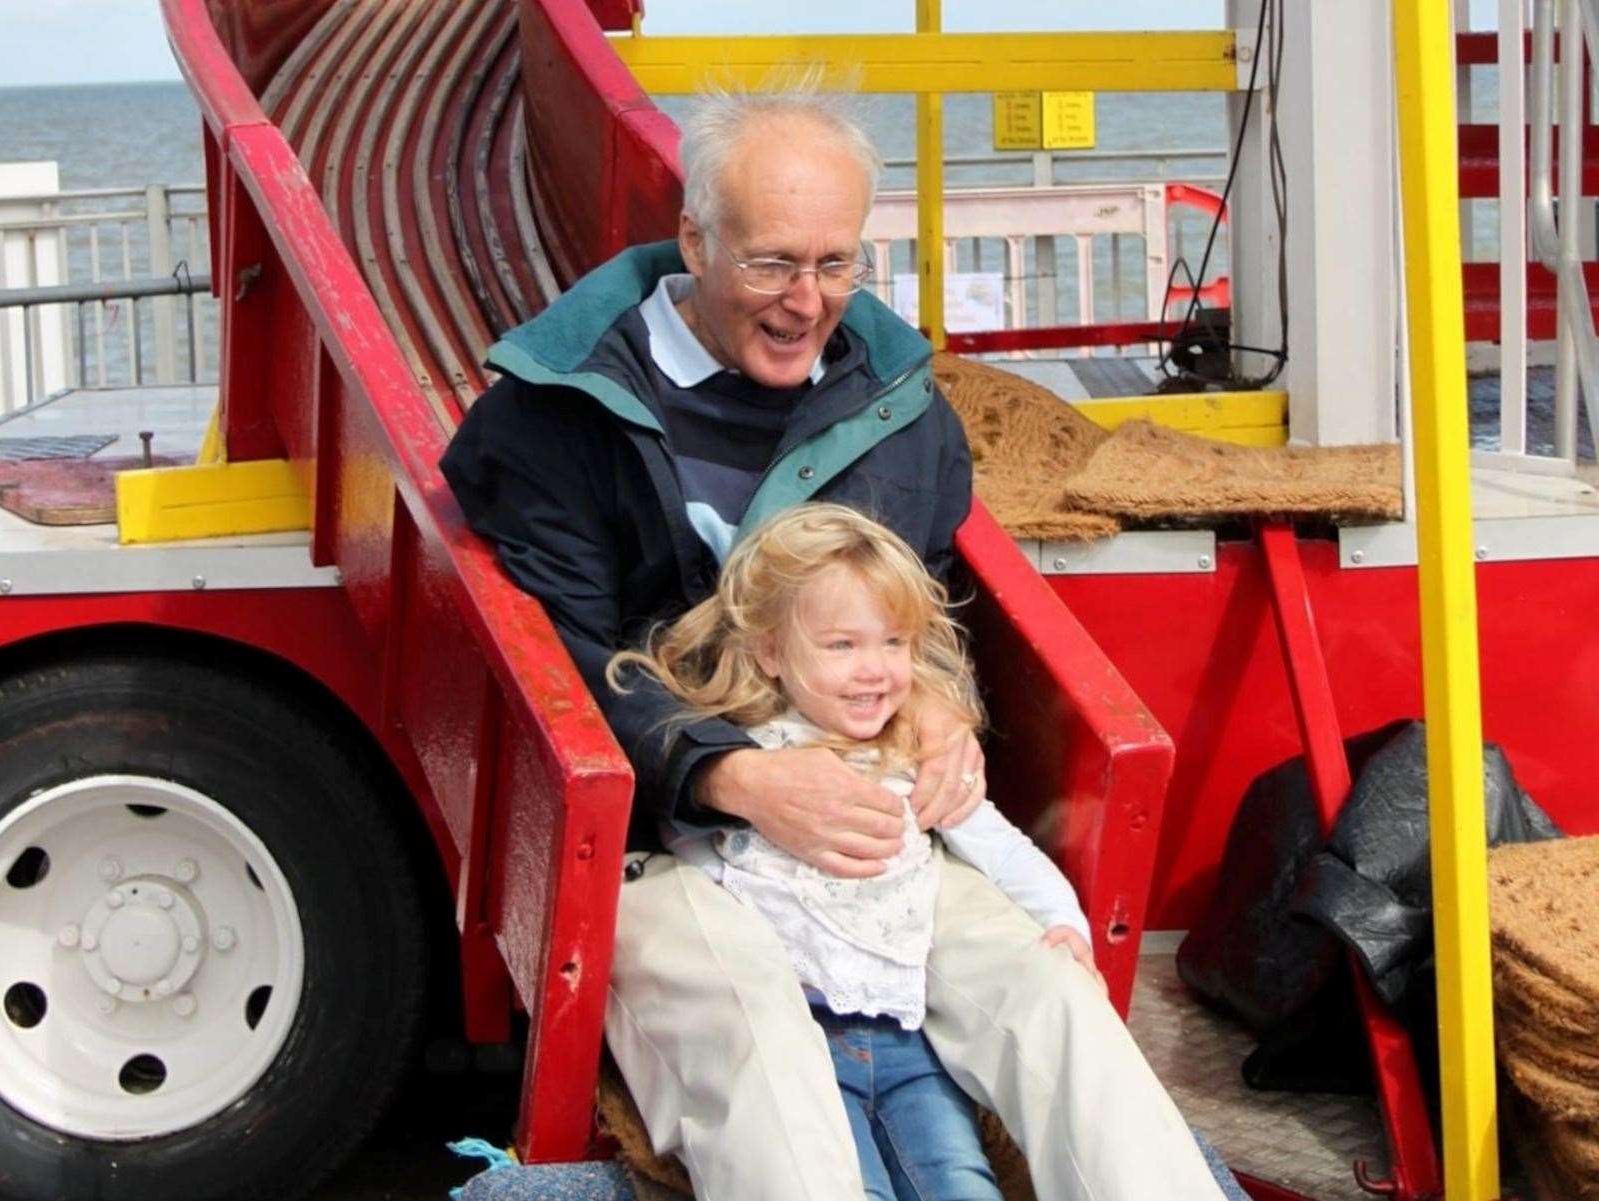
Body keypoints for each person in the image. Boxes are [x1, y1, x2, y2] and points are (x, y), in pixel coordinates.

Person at [442, 79, 1229, 1201]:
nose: (804, 302)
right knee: (753, 1032)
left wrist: (945, 698)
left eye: (836, 264)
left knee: (1043, 992)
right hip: (669, 840)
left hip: (871, 823)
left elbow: (930, 596)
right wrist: (736, 776)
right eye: (768, 264)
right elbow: (565, 653)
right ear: (694, 241)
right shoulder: (559, 415)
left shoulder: (899, 407)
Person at [607, 503, 1104, 1201]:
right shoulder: (753, 764)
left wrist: (1065, 922)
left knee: (959, 1184)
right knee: (842, 1180)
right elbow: (696, 862)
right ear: (770, 652)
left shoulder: (909, 761)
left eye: (894, 642)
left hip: (910, 1043)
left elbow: (1003, 850)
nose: (874, 670)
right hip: (804, 1045)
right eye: (842, 646)